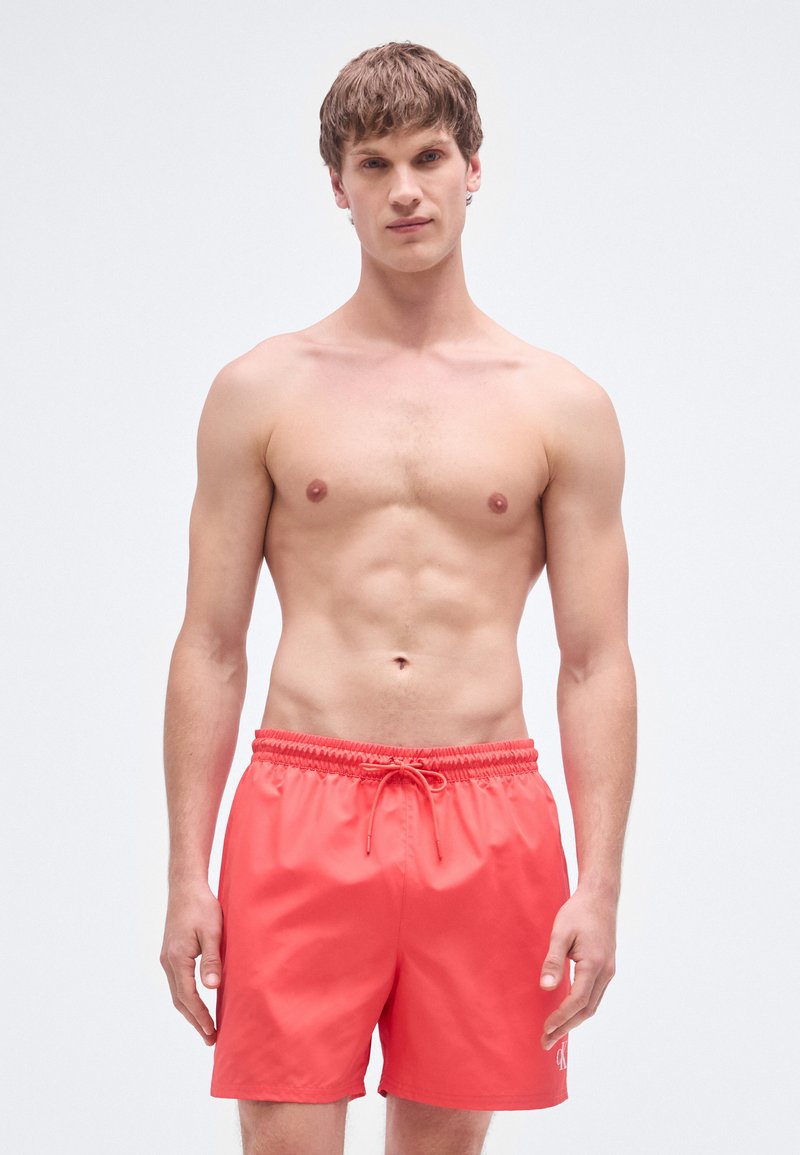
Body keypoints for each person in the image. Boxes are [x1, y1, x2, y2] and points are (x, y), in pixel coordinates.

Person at [159, 39, 637, 1155]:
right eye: (374, 165)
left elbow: (594, 661)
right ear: (339, 185)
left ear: (473, 168)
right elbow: (211, 643)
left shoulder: (560, 405)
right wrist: (185, 874)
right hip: (301, 801)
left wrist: (601, 885)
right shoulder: (260, 391)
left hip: (486, 813)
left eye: (428, 157)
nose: (405, 190)